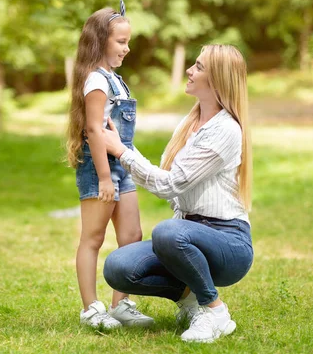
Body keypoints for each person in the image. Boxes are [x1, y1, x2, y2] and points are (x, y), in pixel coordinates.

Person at [101, 44, 253, 343]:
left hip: (228, 242)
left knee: (168, 232)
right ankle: (191, 302)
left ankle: (215, 311)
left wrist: (121, 151)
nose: (189, 70)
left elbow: (170, 185)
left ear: (218, 79)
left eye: (198, 66)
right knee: (118, 268)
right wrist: (124, 150)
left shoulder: (226, 130)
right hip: (187, 234)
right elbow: (172, 184)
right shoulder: (190, 122)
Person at [65, 0, 154, 329]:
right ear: (101, 41)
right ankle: (91, 308)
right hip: (99, 168)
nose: (127, 48)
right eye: (121, 41)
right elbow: (93, 130)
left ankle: (122, 304)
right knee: (93, 237)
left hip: (120, 167)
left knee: (132, 234)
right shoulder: (96, 81)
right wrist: (104, 177)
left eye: (128, 41)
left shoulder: (115, 79)